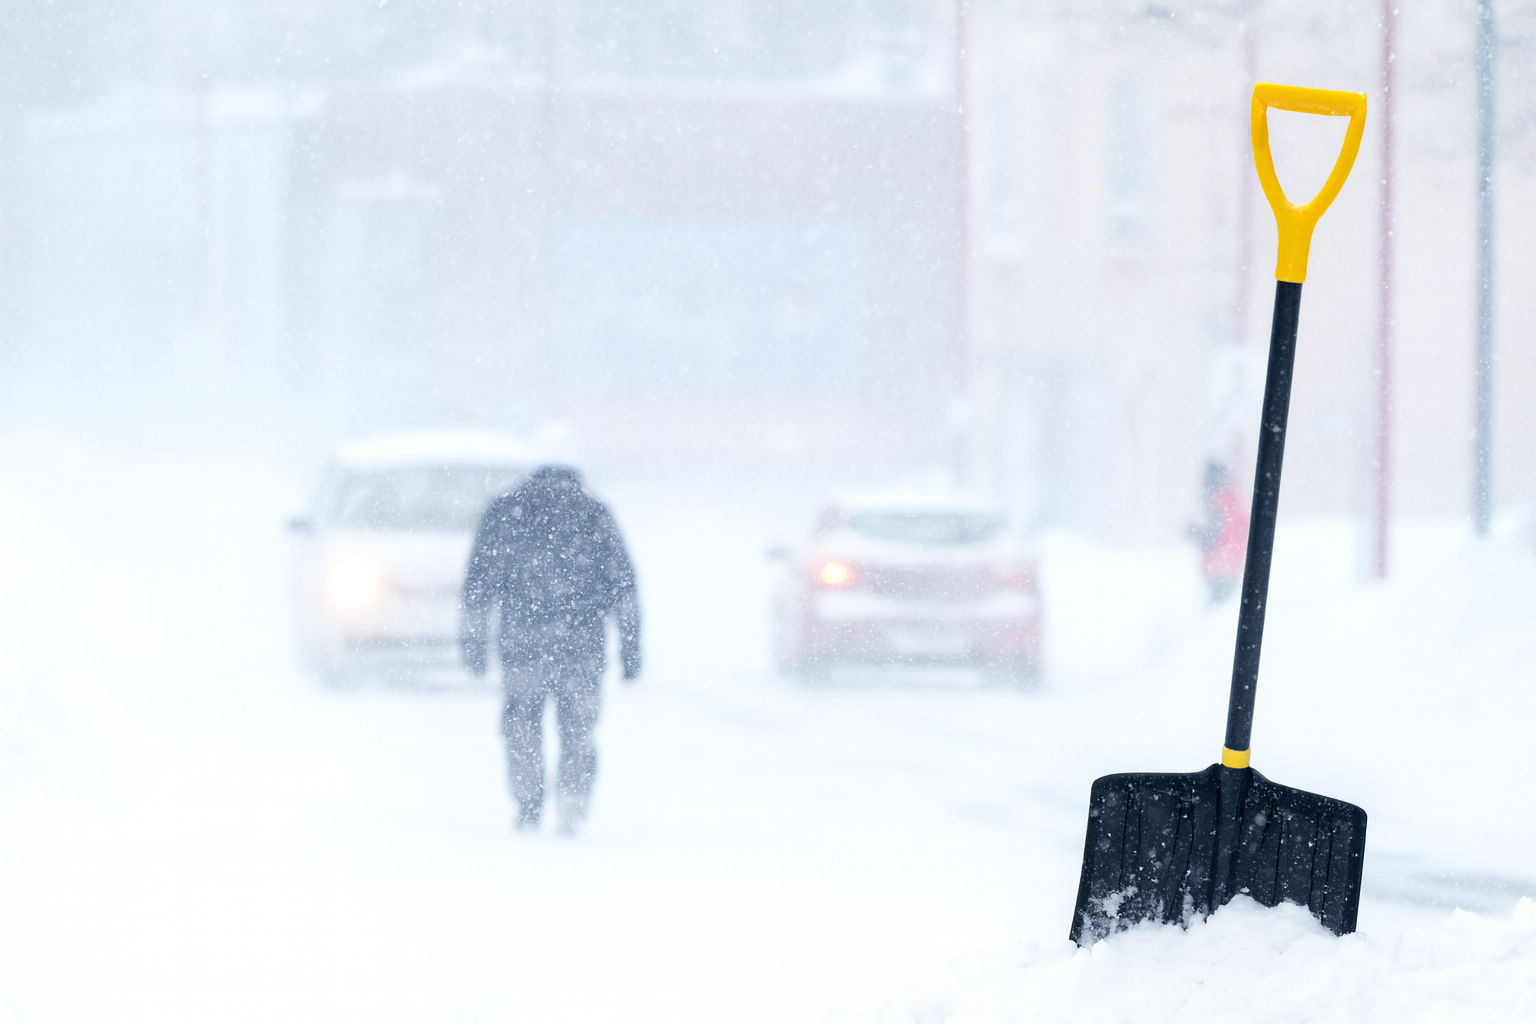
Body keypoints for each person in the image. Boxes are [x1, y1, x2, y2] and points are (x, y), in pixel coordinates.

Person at [460, 465, 641, 834]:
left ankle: (528, 803)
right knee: (579, 729)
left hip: (523, 643)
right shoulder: (593, 516)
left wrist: (474, 643)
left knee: (521, 723)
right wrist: (630, 645)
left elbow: (479, 585)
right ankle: (572, 805)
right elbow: (623, 586)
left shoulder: (507, 513)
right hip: (582, 646)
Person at [1191, 460, 1249, 604]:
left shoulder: (1217, 503)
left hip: (1218, 571)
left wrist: (1192, 531)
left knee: (1214, 613)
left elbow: (1211, 538)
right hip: (1231, 570)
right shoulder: (1234, 502)